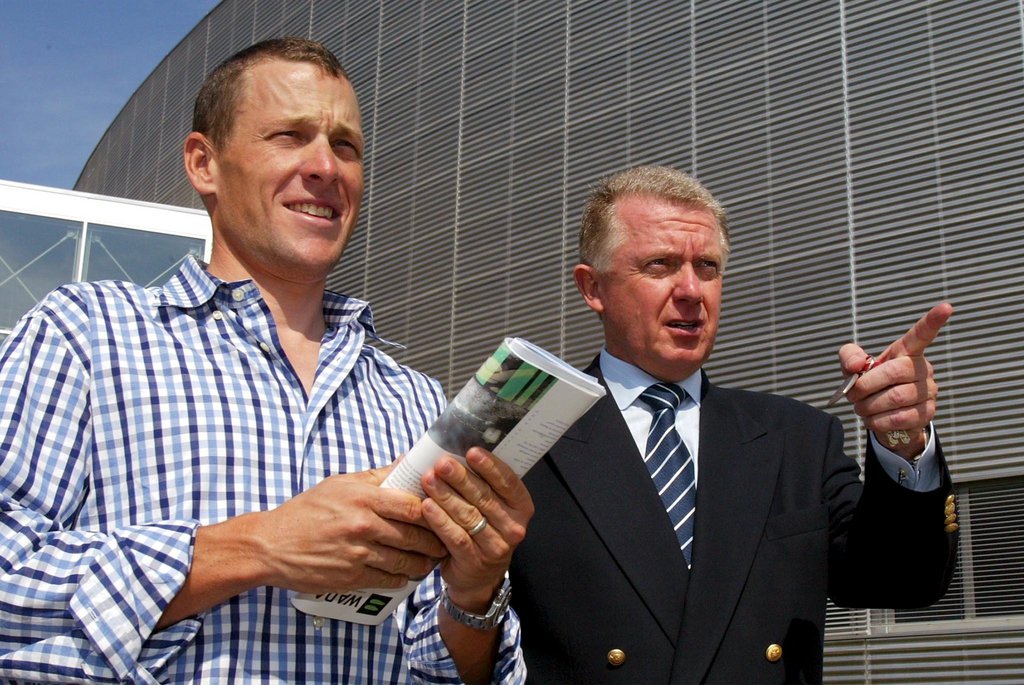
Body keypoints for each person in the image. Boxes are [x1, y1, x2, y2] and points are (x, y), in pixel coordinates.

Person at [0, 38, 531, 684]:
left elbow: (437, 666)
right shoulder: (85, 336)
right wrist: (257, 546)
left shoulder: (414, 399)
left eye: (345, 146)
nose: (325, 167)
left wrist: (473, 595)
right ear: (204, 163)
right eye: (290, 136)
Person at [508, 165, 957, 683]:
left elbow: (902, 581)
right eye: (660, 265)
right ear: (593, 288)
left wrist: (902, 442)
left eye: (708, 266)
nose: (692, 290)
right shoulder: (522, 426)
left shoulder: (797, 438)